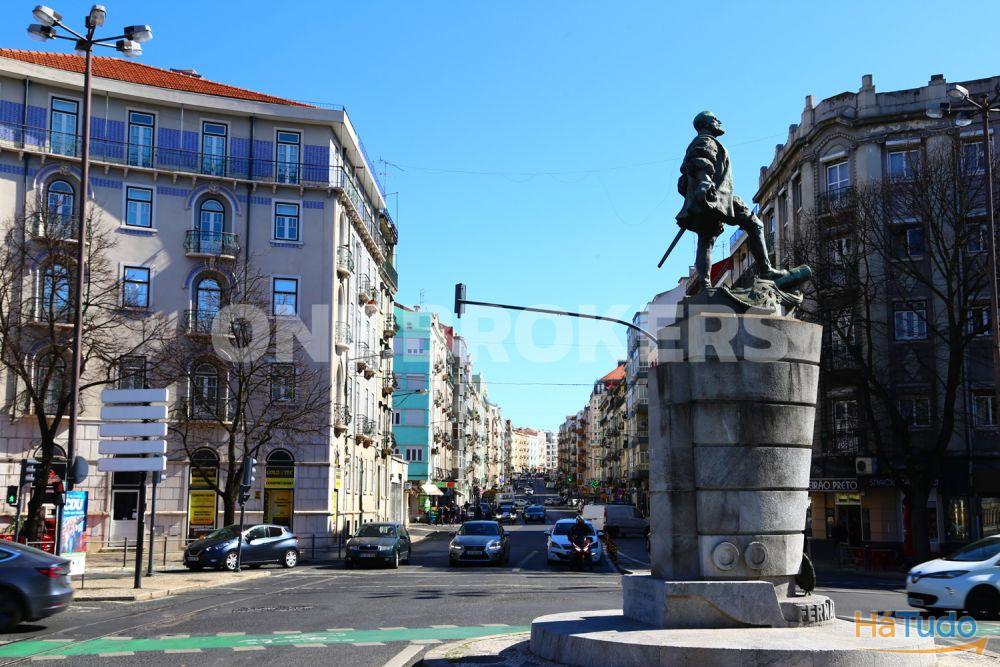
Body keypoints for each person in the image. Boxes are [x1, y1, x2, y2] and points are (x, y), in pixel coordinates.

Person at [676, 111, 788, 290]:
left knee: (706, 239)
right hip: (718, 197)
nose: (719, 122)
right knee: (754, 225)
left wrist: (696, 193)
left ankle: (705, 286)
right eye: (714, 119)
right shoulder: (706, 141)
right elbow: (702, 161)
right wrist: (705, 183)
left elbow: (683, 182)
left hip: (706, 198)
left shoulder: (695, 144)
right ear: (706, 124)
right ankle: (766, 270)